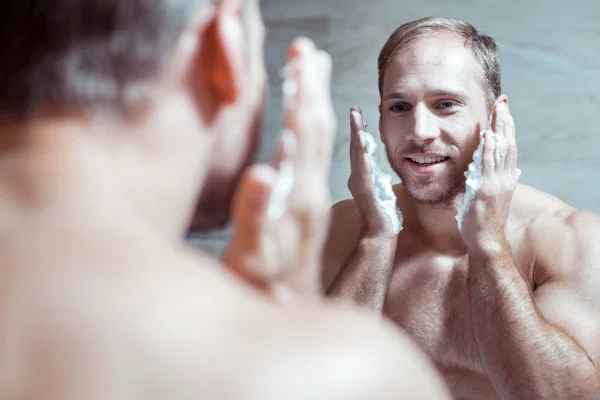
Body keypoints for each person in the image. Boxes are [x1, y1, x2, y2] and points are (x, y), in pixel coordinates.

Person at [0, 1, 453, 399]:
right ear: (225, 44)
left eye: (446, 104)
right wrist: (290, 349)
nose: (421, 131)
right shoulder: (351, 375)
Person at [322, 16, 600, 400]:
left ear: (494, 116)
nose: (420, 131)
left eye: (446, 104)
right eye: (400, 106)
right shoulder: (337, 232)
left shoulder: (575, 241)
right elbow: (308, 385)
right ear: (381, 119)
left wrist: (488, 245)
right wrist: (375, 240)